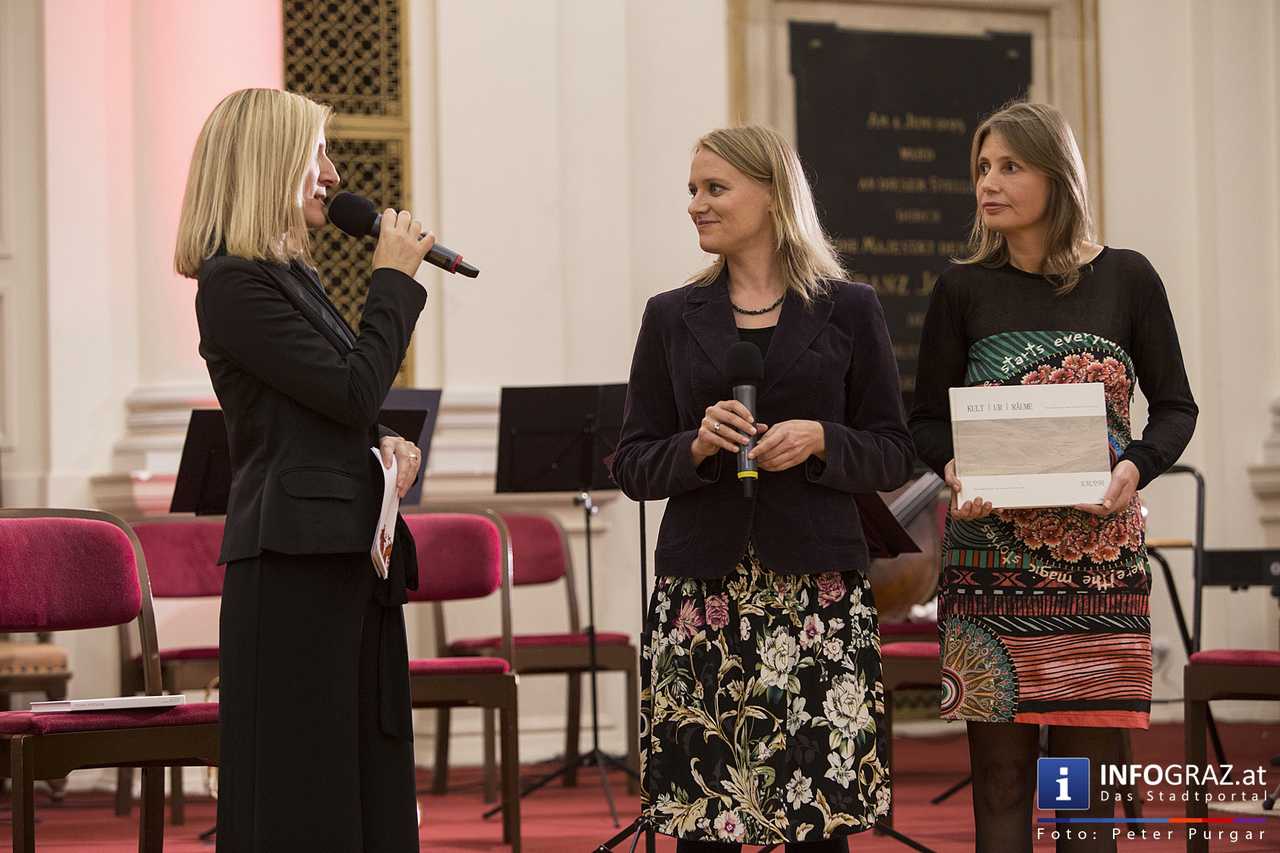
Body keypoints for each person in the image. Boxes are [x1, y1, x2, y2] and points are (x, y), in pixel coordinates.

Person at [611, 125, 915, 853]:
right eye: (692, 189)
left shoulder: (850, 308)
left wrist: (821, 439)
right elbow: (630, 462)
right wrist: (694, 446)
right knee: (702, 820)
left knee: (816, 818)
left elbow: (894, 452)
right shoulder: (668, 316)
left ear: (773, 195)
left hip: (818, 595)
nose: (696, 205)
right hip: (702, 596)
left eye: (715, 188)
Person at [909, 101, 1198, 852]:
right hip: (988, 566)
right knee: (1002, 784)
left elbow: (1175, 407)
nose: (987, 184)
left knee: (1081, 790)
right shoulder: (960, 288)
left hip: (1097, 570)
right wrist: (950, 465)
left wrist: (1137, 464)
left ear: (1056, 174)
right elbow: (925, 421)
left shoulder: (1128, 279)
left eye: (1009, 166)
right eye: (981, 168)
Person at [174, 88, 436, 852]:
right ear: (268, 166)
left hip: (342, 548)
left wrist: (381, 440)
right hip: (290, 560)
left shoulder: (290, 276)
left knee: (358, 769)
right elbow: (354, 385)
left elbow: (330, 404)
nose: (331, 173)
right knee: (304, 786)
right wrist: (394, 278)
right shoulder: (232, 284)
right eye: (316, 152)